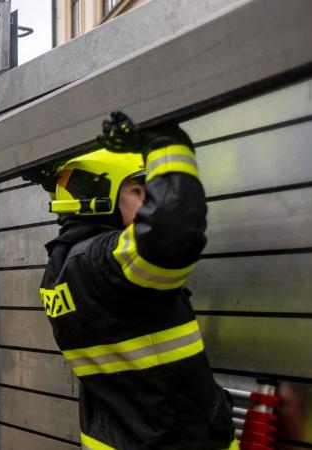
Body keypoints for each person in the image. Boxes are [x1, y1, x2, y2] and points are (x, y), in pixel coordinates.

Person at [29, 111, 235, 449]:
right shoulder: (101, 263)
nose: (148, 201)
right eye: (139, 189)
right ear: (101, 198)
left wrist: (64, 179)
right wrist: (168, 147)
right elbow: (169, 233)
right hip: (170, 440)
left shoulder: (63, 264)